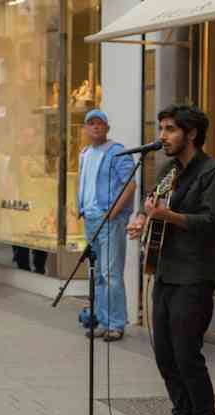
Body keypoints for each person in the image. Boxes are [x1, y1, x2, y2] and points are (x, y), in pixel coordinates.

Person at [129, 105, 215, 415]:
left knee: (187, 352)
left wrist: (168, 215)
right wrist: (142, 221)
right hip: (165, 270)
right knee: (165, 352)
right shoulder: (168, 170)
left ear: (191, 134)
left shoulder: (214, 172)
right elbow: (154, 206)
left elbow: (210, 221)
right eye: (161, 128)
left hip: (195, 273)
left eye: (170, 129)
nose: (163, 136)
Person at [76, 109, 136, 341]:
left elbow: (130, 185)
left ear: (107, 128)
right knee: (97, 274)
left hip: (108, 219)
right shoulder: (85, 153)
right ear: (85, 128)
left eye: (100, 123)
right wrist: (79, 207)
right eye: (90, 123)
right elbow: (83, 182)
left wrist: (114, 211)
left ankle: (116, 323)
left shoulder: (117, 152)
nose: (95, 127)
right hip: (90, 219)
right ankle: (102, 320)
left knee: (111, 273)